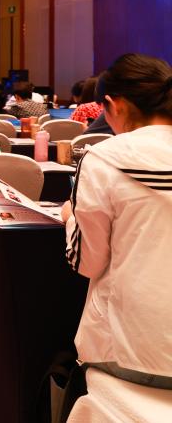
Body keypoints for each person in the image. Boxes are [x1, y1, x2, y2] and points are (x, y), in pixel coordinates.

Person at [62, 53, 172, 389]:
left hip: (134, 352)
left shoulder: (103, 159)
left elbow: (87, 263)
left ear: (115, 104)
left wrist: (70, 218)